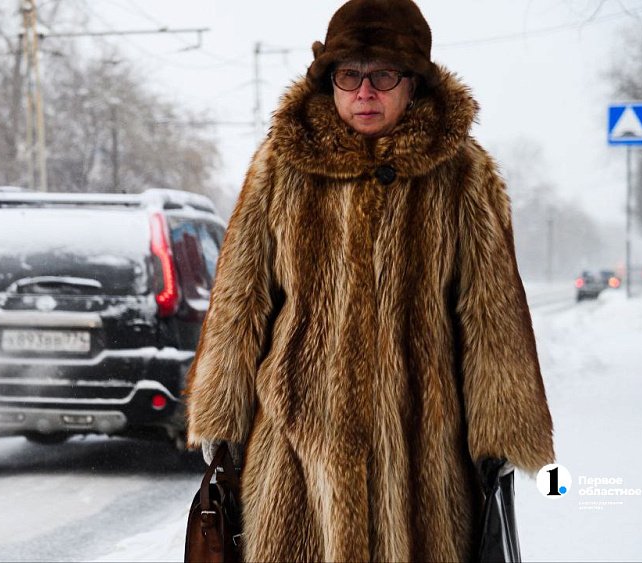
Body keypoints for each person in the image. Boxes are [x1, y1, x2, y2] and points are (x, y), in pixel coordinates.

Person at [184, 0, 555, 561]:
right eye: (349, 75)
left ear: (414, 83)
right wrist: (221, 413)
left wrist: (502, 434)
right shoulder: (282, 166)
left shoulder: (461, 175)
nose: (364, 92)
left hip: (423, 459)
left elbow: (492, 313)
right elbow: (240, 300)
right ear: (328, 80)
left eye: (383, 75)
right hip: (298, 449)